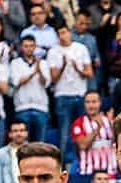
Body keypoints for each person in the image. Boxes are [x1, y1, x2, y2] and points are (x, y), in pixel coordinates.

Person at [47, 22, 93, 159]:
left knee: (82, 131)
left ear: (70, 33)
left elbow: (89, 73)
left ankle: (82, 161)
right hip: (62, 95)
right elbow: (53, 79)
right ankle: (64, 164)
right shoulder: (53, 52)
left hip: (80, 94)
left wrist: (76, 67)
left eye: (65, 32)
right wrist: (63, 66)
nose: (63, 36)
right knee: (64, 132)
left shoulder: (81, 49)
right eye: (60, 33)